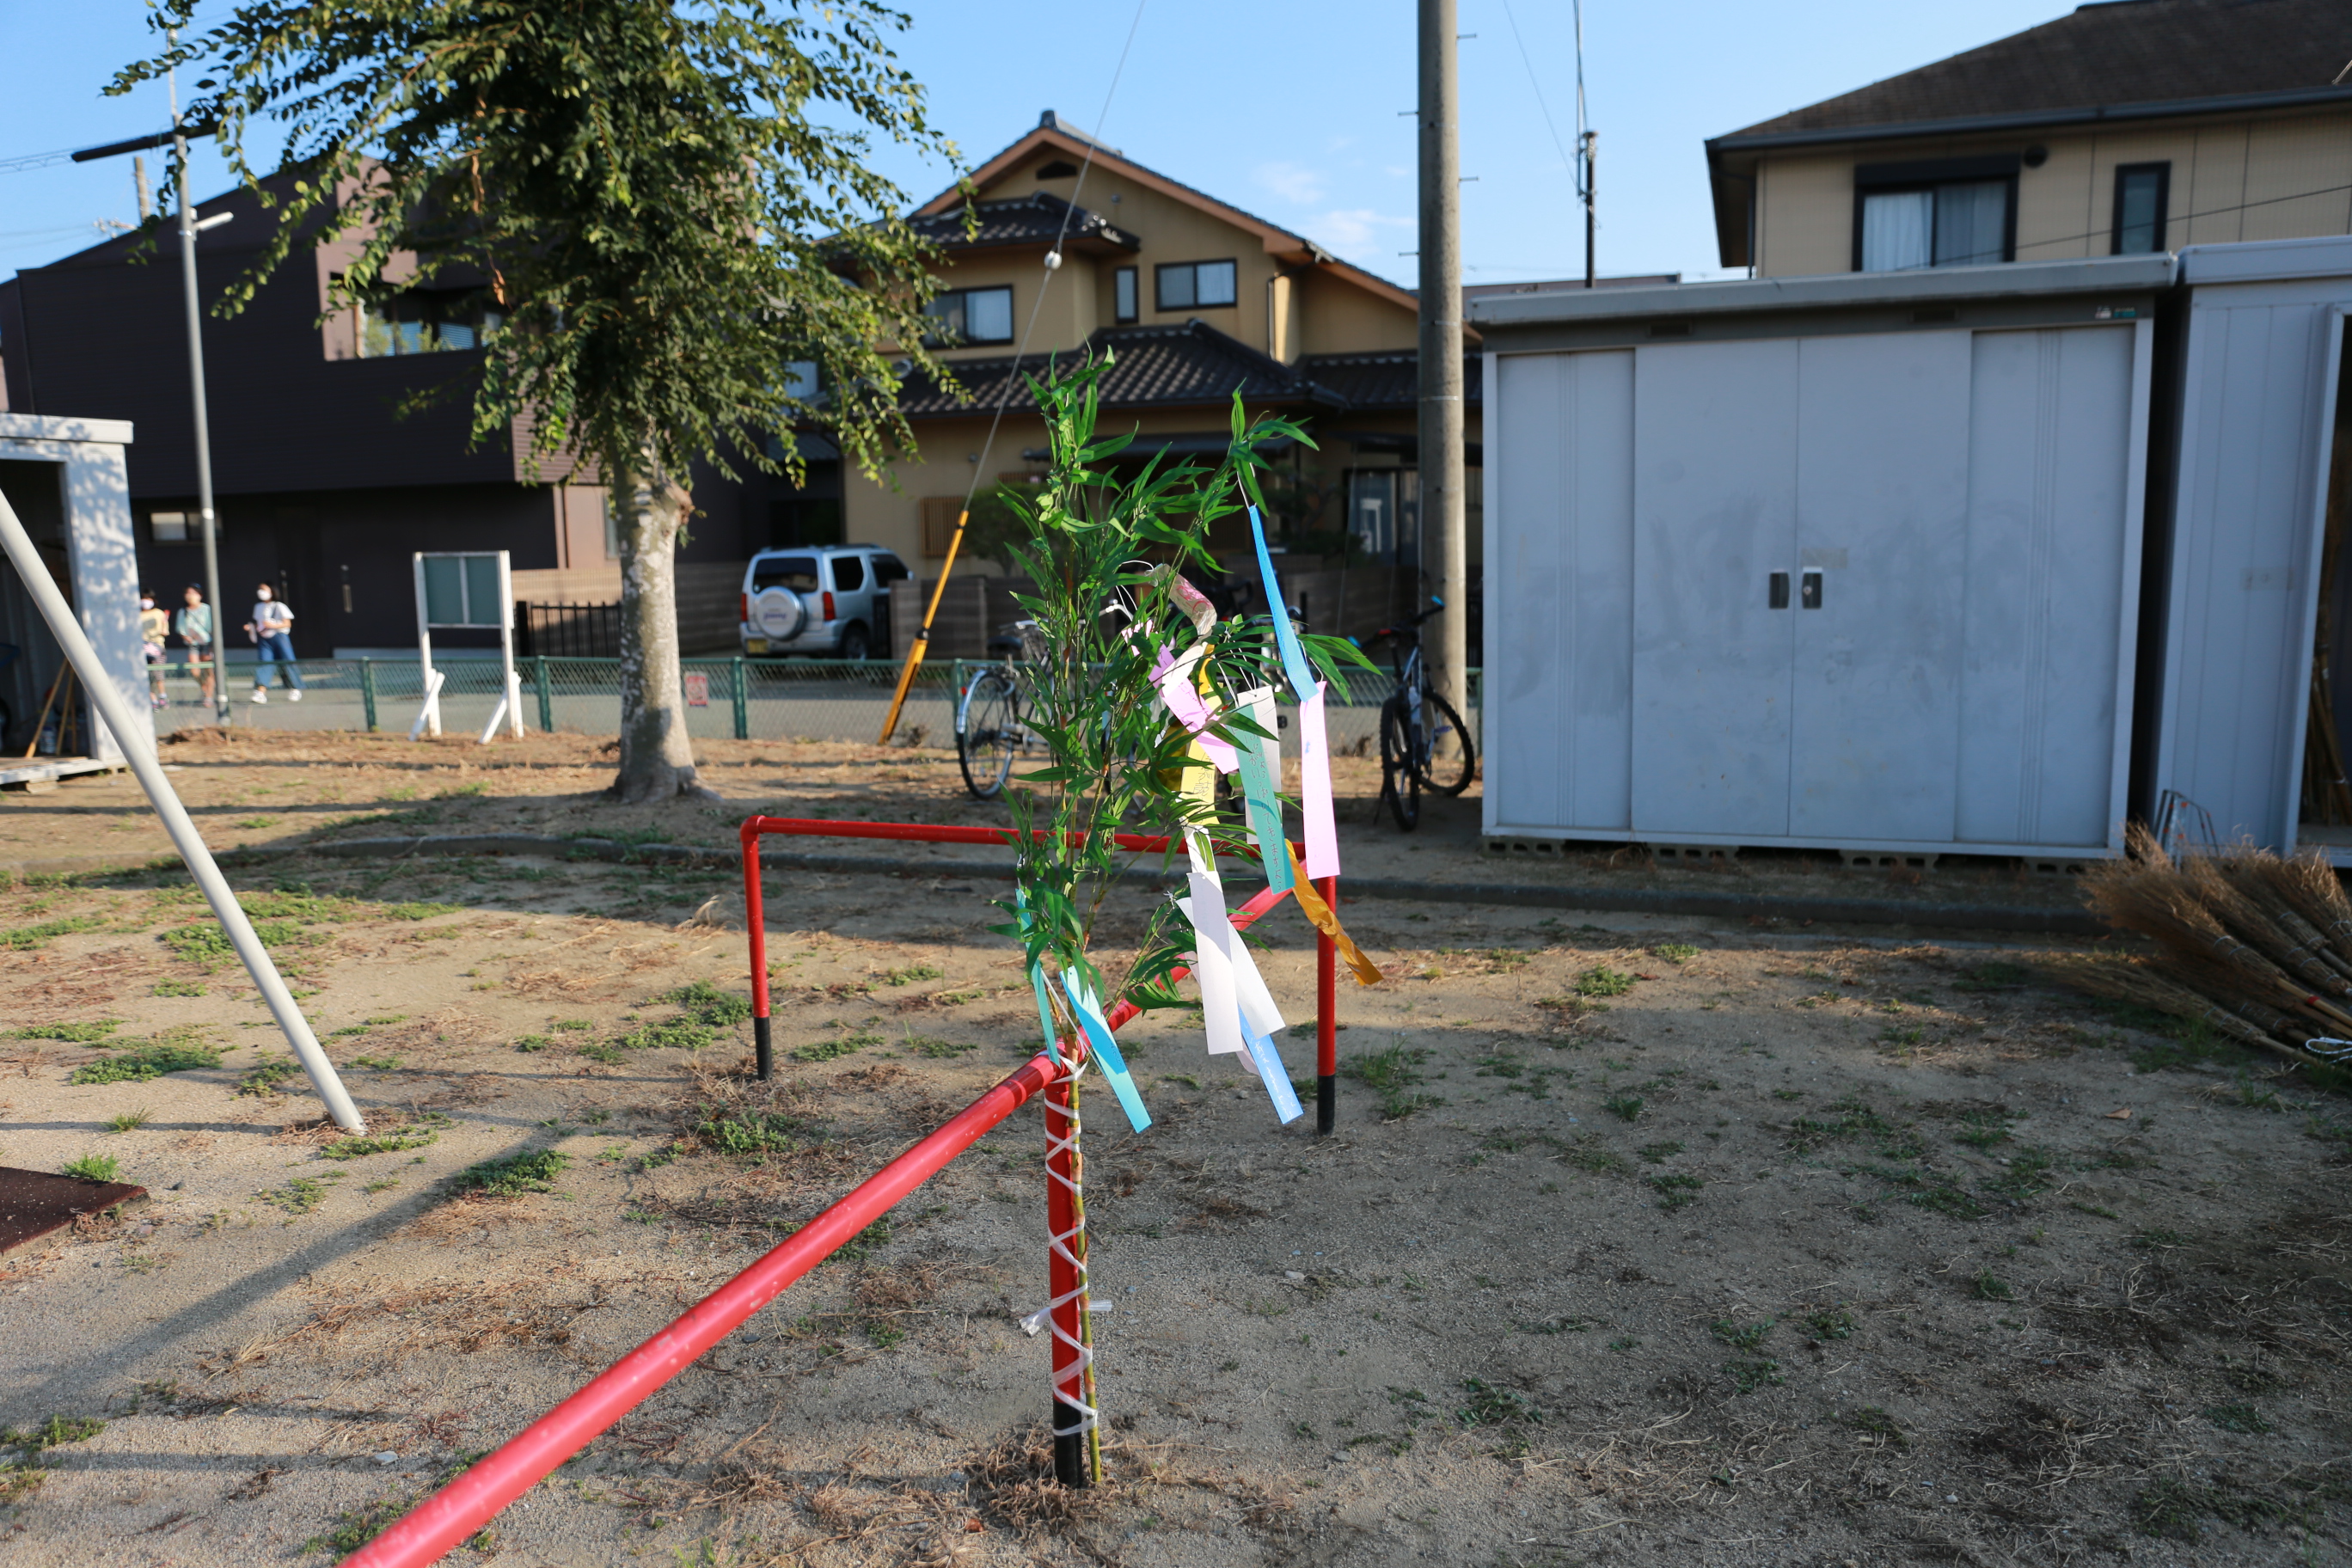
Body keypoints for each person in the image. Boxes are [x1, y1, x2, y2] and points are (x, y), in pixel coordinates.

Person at [244, 582, 303, 704]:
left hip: (279, 636)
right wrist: (251, 627)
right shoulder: (258, 607)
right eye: (260, 589)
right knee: (265, 663)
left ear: (272, 591)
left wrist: (274, 625)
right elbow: (259, 624)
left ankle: (295, 688)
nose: (261, 592)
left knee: (287, 661)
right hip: (264, 638)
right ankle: (260, 692)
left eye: (264, 589)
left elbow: (287, 623)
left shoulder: (279, 606)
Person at [175, 584, 214, 709]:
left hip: (207, 642)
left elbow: (211, 626)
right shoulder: (183, 611)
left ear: (200, 595)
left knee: (208, 670)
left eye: (193, 593)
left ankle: (209, 696)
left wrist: (213, 644)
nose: (190, 596)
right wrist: (187, 637)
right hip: (193, 644)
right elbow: (180, 629)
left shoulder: (206, 609)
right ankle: (204, 688)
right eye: (188, 593)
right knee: (194, 670)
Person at [138, 589, 170, 709]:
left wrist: (161, 632)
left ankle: (163, 697)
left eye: (148, 599)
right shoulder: (136, 614)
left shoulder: (159, 613)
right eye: (143, 598)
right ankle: (153, 700)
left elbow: (164, 630)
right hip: (141, 648)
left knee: (158, 674)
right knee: (146, 677)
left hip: (157, 647)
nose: (145, 601)